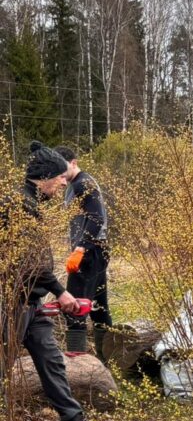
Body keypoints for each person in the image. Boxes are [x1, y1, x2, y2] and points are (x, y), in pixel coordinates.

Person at [0, 141, 104, 421]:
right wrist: (61, 292)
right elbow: (26, 262)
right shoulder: (17, 205)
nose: (63, 181)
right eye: (59, 176)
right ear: (44, 176)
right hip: (10, 302)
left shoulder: (30, 205)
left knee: (52, 359)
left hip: (30, 301)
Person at [54, 146, 111, 361]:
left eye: (63, 167)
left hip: (90, 252)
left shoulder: (84, 183)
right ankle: (108, 362)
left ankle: (77, 365)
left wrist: (81, 248)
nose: (60, 173)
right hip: (95, 251)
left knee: (74, 308)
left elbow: (97, 218)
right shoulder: (71, 185)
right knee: (99, 308)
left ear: (74, 163)